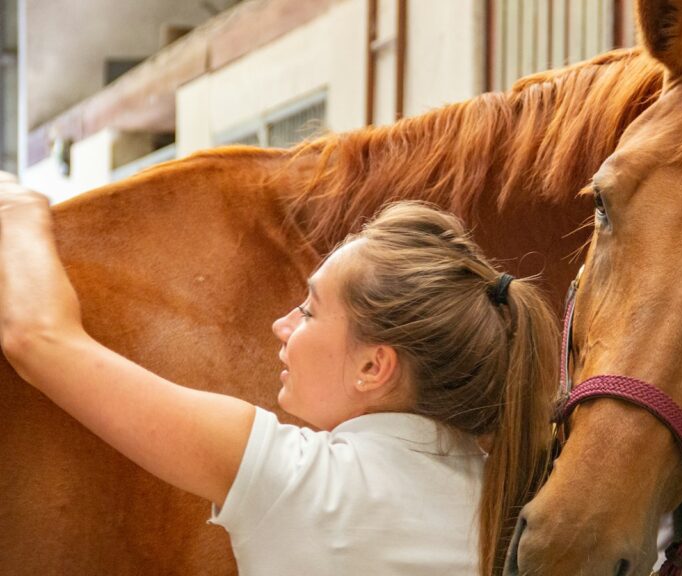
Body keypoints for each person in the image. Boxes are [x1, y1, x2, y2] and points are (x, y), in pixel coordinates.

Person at [0, 171, 560, 575]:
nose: (281, 324)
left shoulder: (292, 479)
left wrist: (15, 207)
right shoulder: (517, 504)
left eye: (310, 310)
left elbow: (39, 339)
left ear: (373, 366)